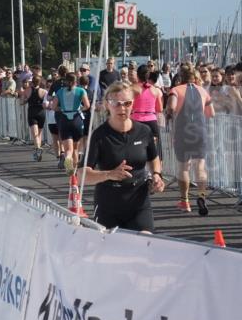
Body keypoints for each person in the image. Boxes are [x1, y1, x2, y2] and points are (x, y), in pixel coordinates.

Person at [82, 81, 164, 232]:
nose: (122, 108)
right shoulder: (99, 135)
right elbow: (82, 174)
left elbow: (154, 158)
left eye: (127, 103)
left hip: (139, 202)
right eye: (116, 103)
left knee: (145, 242)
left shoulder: (144, 131)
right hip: (108, 204)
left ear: (133, 104)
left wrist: (157, 175)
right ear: (107, 104)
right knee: (111, 251)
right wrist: (109, 174)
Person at [167, 65, 215, 215]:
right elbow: (211, 113)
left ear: (181, 77)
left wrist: (168, 112)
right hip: (199, 132)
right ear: (195, 77)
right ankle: (201, 196)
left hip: (183, 132)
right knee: (200, 166)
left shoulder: (176, 90)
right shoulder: (203, 91)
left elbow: (172, 107)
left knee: (184, 167)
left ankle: (185, 201)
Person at [51, 70, 90, 174]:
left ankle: (68, 159)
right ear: (76, 81)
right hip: (76, 119)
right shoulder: (81, 91)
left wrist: (62, 109)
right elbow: (87, 106)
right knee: (76, 149)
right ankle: (75, 172)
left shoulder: (59, 92)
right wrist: (79, 109)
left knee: (68, 149)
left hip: (64, 120)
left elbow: (53, 107)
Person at [130, 64, 164, 160]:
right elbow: (160, 109)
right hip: (151, 121)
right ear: (148, 75)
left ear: (137, 75)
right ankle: (157, 171)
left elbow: (129, 105)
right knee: (156, 149)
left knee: (135, 146)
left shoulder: (133, 88)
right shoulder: (155, 90)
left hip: (136, 120)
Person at [20, 75, 48, 160]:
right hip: (41, 113)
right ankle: (38, 150)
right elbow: (45, 103)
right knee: (38, 134)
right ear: (40, 82)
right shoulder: (44, 91)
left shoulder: (27, 90)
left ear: (32, 82)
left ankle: (37, 150)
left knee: (35, 134)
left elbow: (21, 102)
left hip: (32, 113)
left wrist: (26, 100)